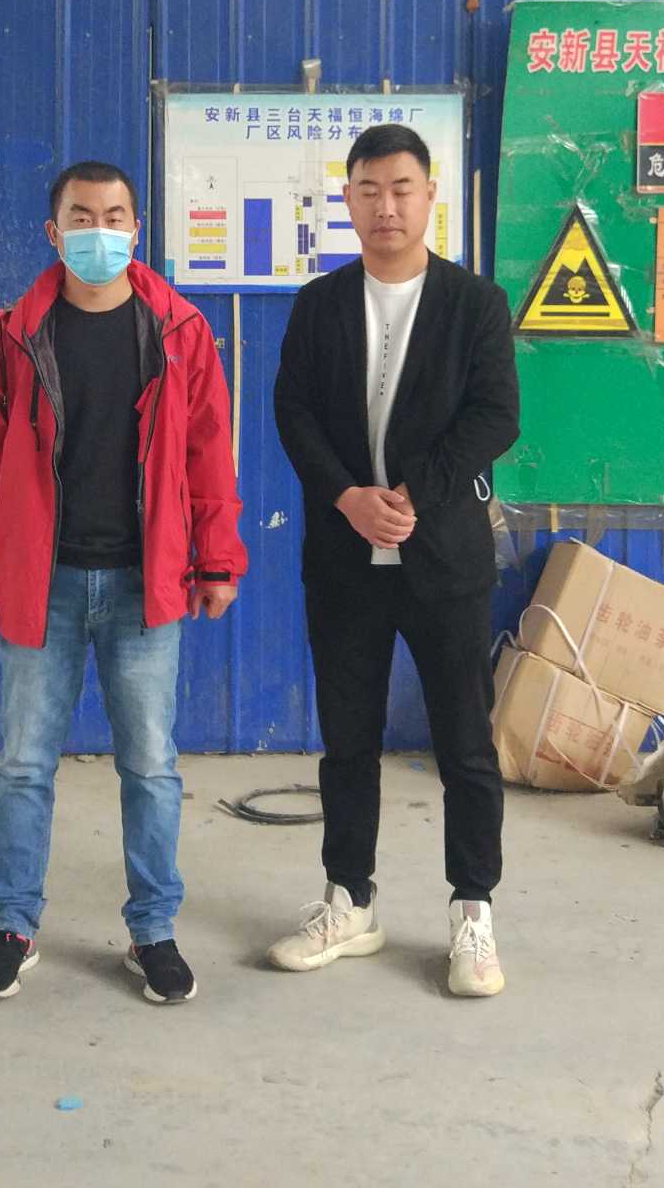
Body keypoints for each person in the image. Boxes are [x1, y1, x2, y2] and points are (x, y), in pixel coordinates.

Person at [0, 160, 247, 1005]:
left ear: (137, 229)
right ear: (54, 233)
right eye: (82, 217)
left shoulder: (178, 331)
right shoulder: (14, 335)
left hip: (145, 585)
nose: (100, 231)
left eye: (115, 216)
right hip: (37, 583)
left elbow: (209, 452)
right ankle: (12, 925)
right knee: (22, 765)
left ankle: (153, 930)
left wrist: (218, 559)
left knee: (150, 765)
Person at [267, 122, 522, 997]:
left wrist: (416, 493)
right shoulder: (320, 304)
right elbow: (293, 412)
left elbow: (496, 415)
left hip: (443, 557)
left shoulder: (473, 303)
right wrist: (348, 498)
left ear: (429, 196)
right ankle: (350, 900)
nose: (387, 206)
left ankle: (473, 912)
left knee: (465, 745)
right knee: (348, 741)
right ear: (348, 200)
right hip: (343, 559)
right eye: (369, 190)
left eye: (402, 188)